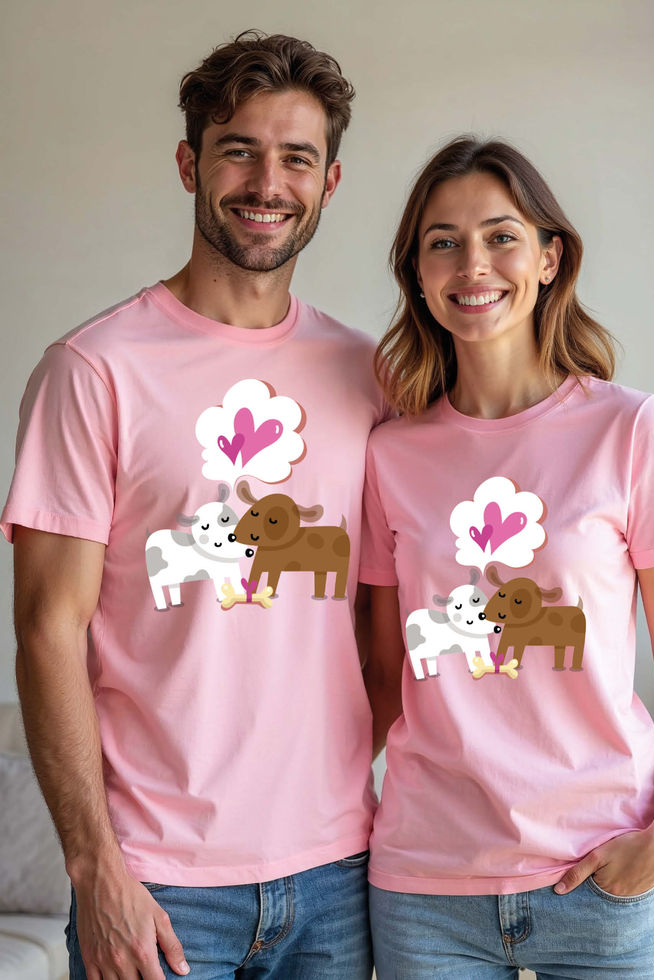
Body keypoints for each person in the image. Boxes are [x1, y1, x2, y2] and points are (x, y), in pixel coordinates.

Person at [2, 30, 383, 980]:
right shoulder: (94, 369)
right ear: (189, 165)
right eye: (238, 151)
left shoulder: (368, 374)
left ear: (329, 182)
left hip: (340, 874)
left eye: (296, 158)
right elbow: (47, 630)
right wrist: (95, 867)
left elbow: (379, 612)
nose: (267, 183)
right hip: (157, 882)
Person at [360, 137, 654, 978]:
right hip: (427, 887)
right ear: (416, 273)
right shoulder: (388, 454)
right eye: (442, 242)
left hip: (603, 872)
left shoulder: (631, 430)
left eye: (500, 236)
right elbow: (381, 670)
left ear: (549, 258)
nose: (471, 264)